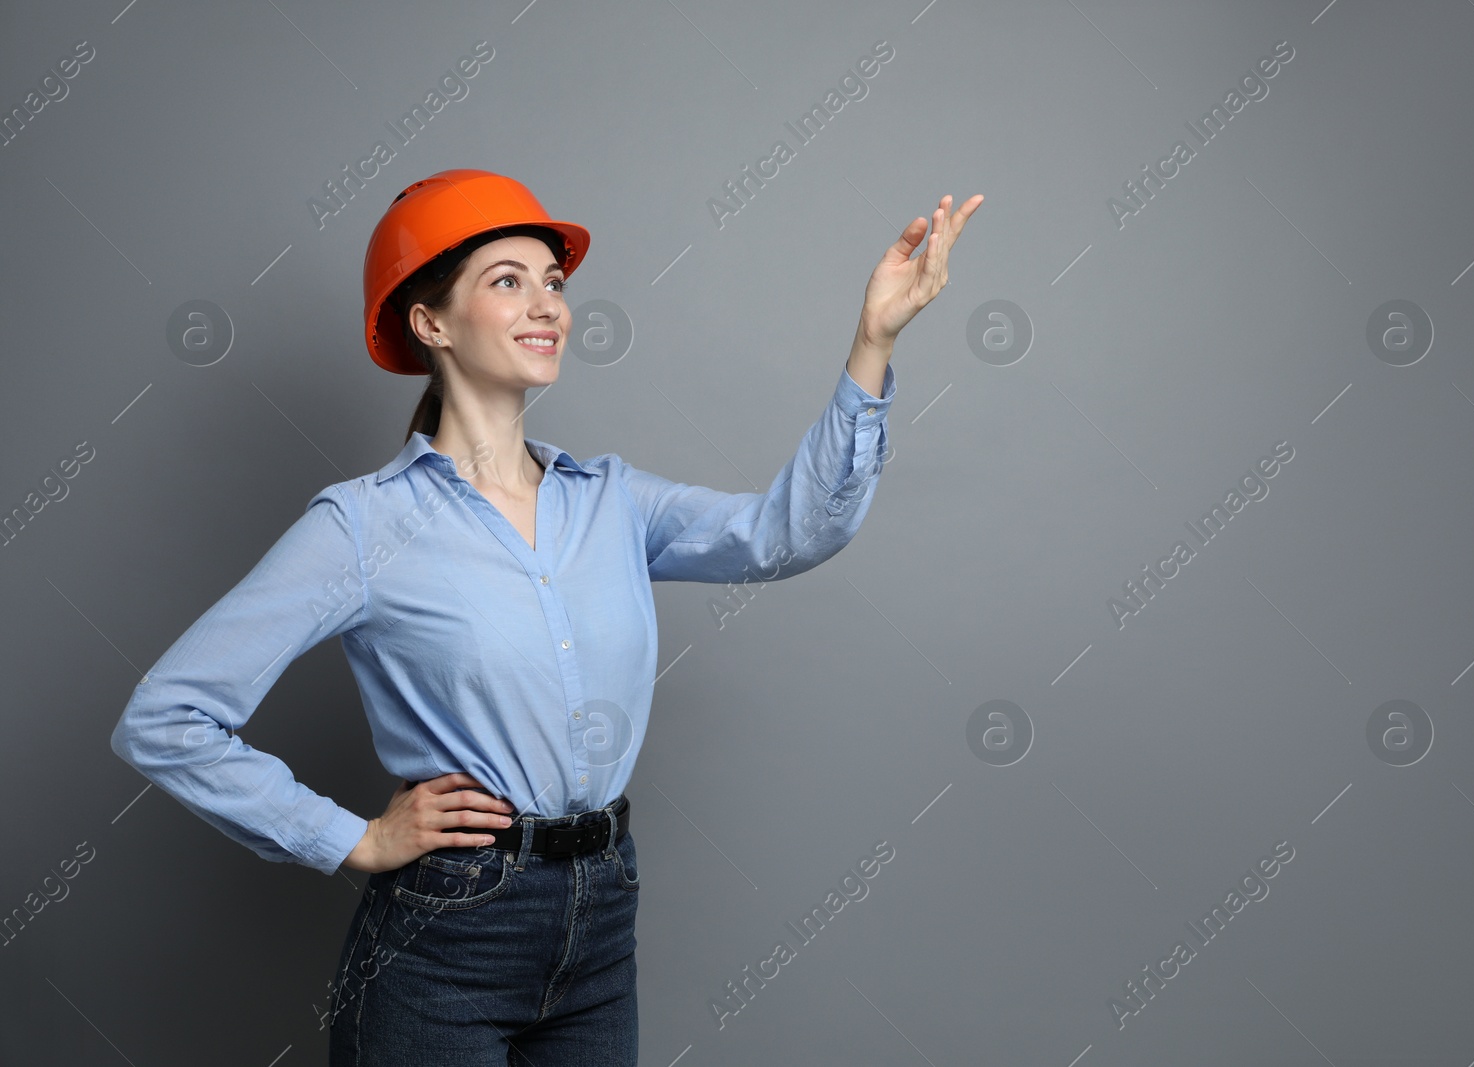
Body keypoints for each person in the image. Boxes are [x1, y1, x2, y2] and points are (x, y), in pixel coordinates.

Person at [109, 167, 982, 1065]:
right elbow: (167, 718)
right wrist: (355, 839)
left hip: (602, 920)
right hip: (443, 935)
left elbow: (789, 532)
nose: (548, 306)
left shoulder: (612, 500)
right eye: (508, 280)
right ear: (431, 322)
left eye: (554, 284)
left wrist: (872, 342)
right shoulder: (363, 525)